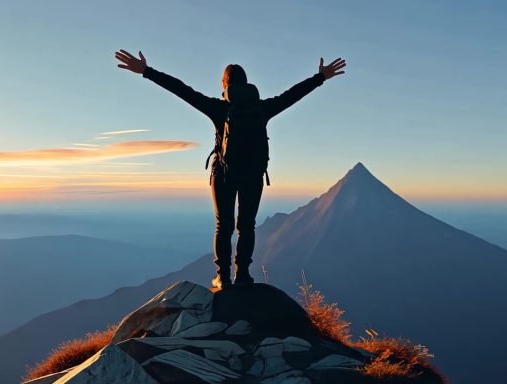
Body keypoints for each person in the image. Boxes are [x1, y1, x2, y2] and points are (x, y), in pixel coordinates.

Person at [114, 49, 346, 289]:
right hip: (253, 174)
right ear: (247, 84)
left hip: (224, 173)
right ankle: (243, 275)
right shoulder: (263, 109)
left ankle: (223, 278)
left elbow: (182, 90)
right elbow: (292, 95)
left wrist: (146, 71)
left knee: (223, 226)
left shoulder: (219, 109)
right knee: (247, 225)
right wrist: (320, 78)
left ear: (225, 85)